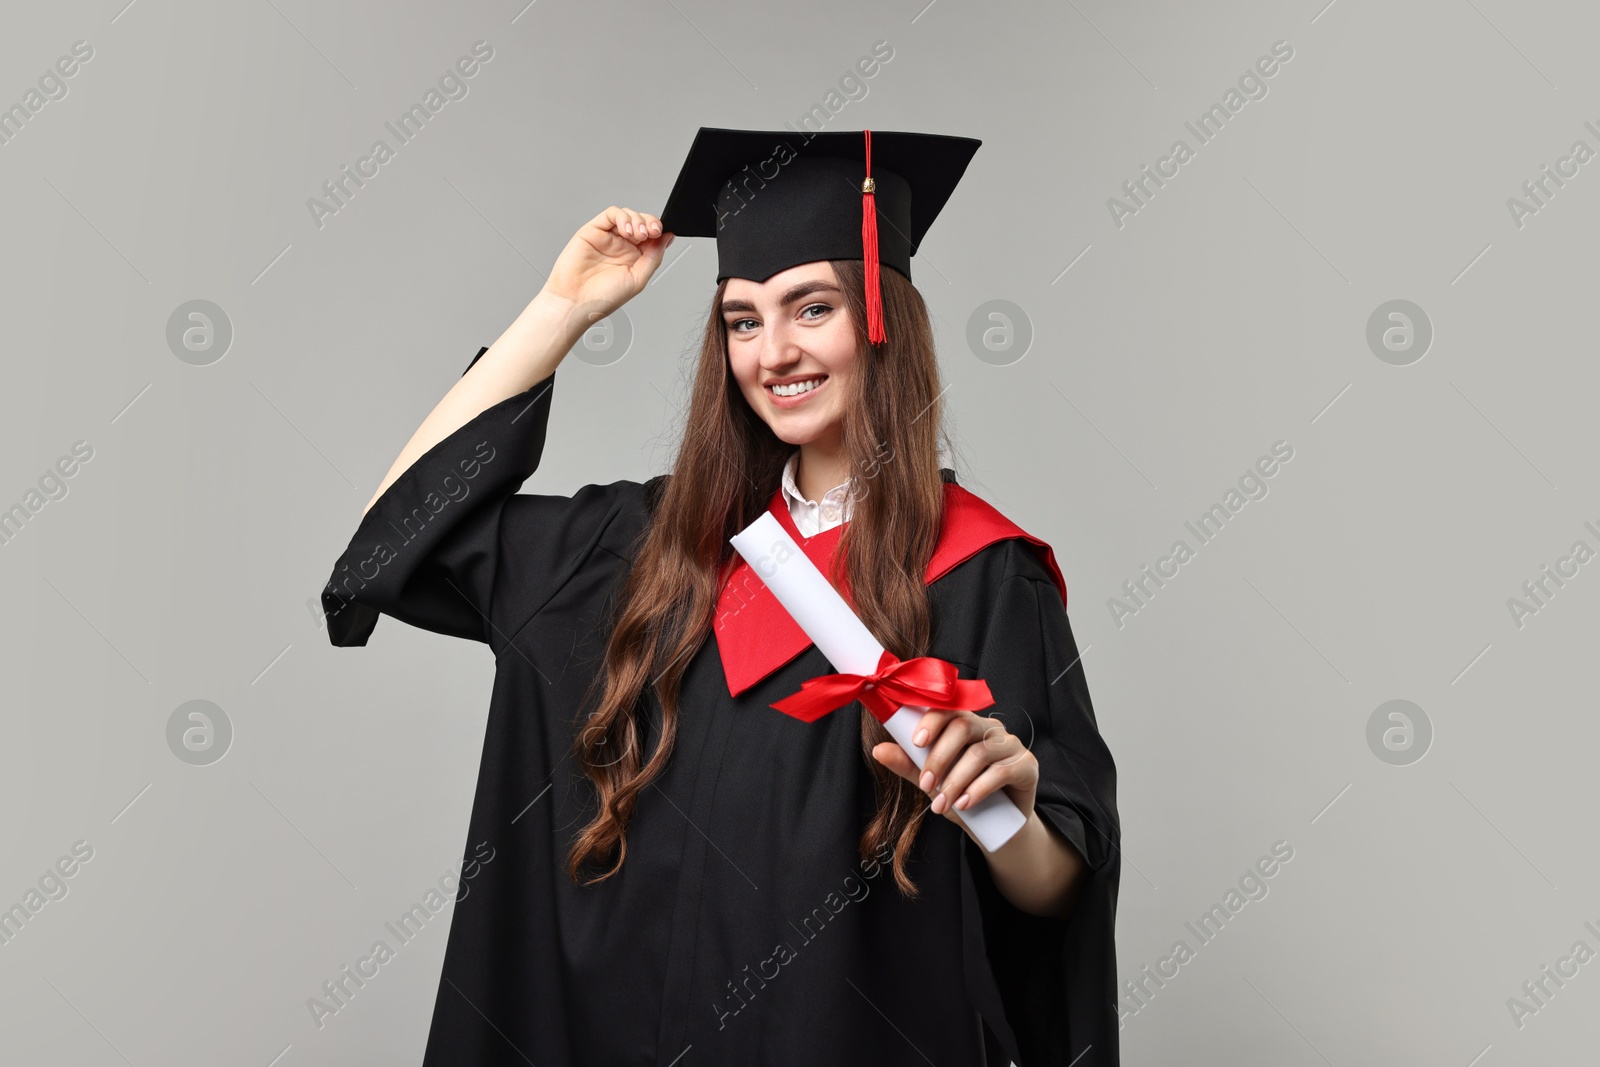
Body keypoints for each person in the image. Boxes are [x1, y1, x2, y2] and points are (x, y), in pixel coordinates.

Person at [321, 127, 1121, 1066]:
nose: (773, 352)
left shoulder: (982, 571)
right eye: (743, 321)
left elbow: (1055, 889)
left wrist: (1010, 809)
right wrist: (562, 307)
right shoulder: (647, 550)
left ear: (881, 318)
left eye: (810, 308)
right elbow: (405, 529)